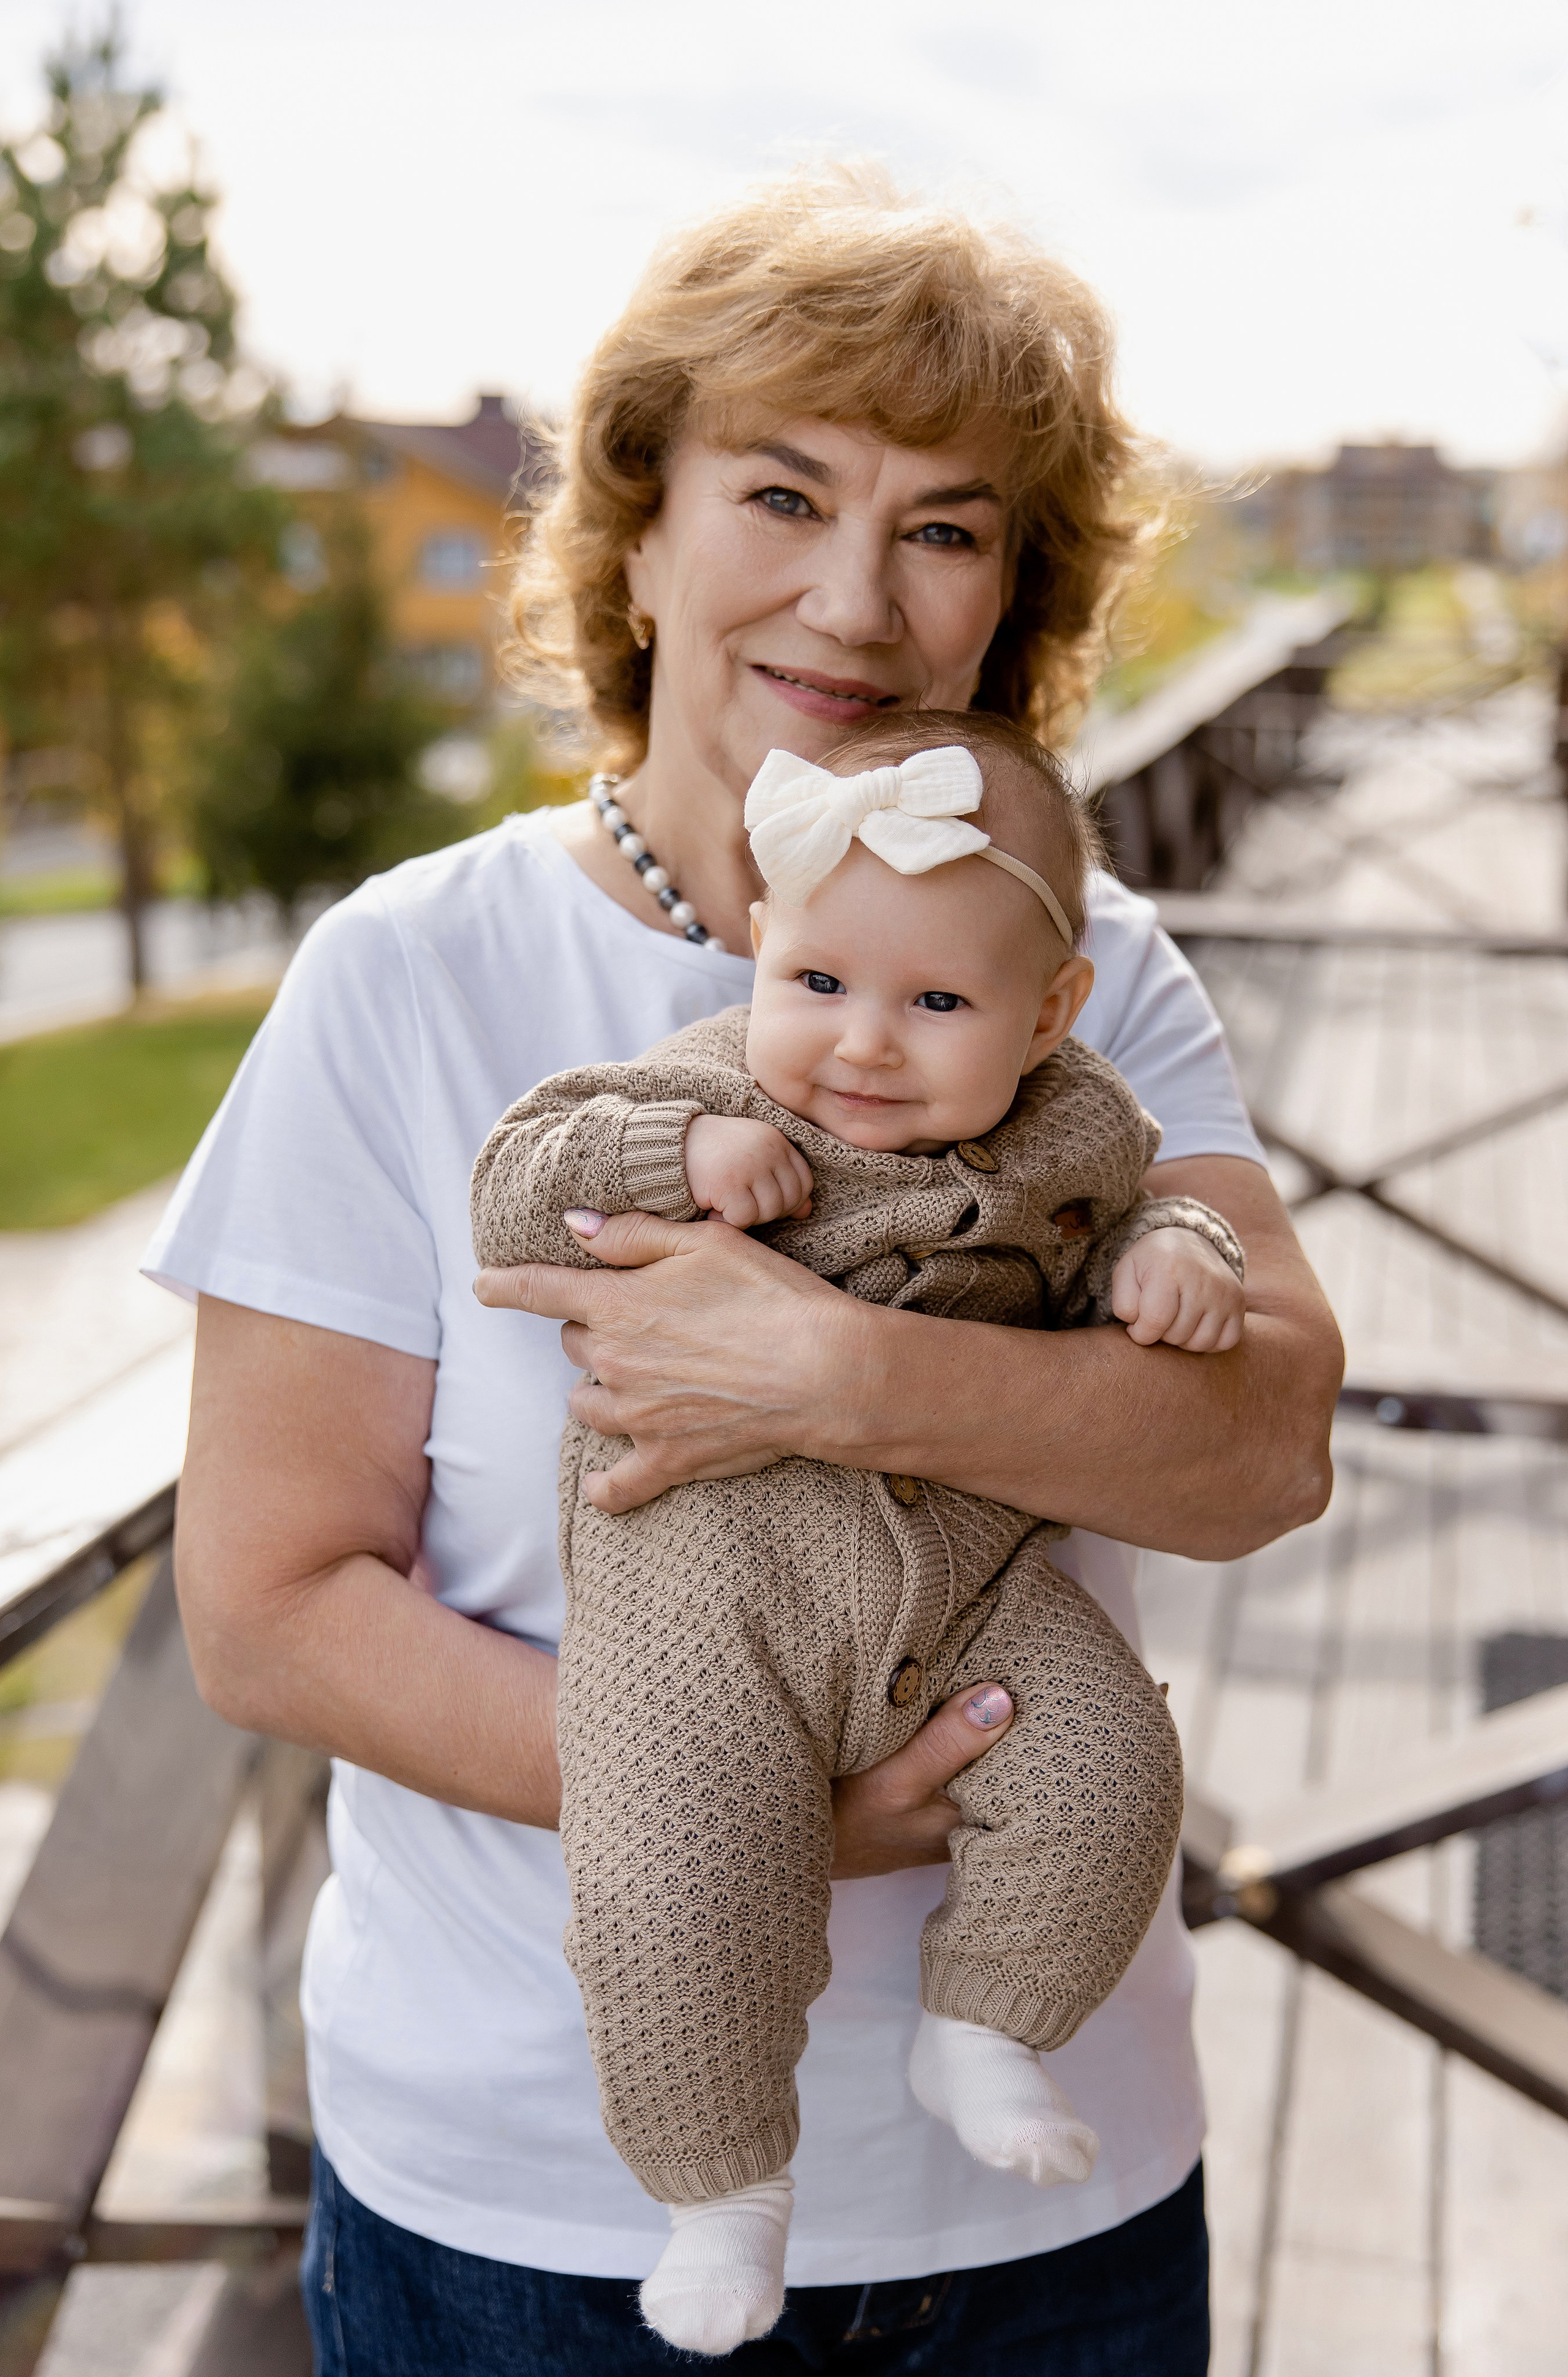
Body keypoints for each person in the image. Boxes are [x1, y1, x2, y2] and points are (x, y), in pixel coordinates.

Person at [157, 166, 1342, 2375]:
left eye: (947, 527)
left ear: (1014, 596)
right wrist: (775, 1803)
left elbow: (1264, 1443)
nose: (855, 599)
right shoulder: (411, 974)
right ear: (642, 522)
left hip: (1051, 2208)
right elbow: (269, 1605)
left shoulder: (1108, 977)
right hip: (529, 2220)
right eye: (783, 493)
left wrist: (834, 1375)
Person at [469, 712, 1247, 2356]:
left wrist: (1185, 1253)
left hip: (964, 1597)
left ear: (1049, 1013)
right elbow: (519, 1182)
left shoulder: (1082, 1128)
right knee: (673, 1883)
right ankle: (723, 2187)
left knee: (1113, 1764)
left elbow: (1140, 1219)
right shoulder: (697, 1082)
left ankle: (984, 2022)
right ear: (764, 946)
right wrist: (677, 1150)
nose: (865, 1043)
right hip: (705, 1596)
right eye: (818, 983)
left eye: (939, 1003)